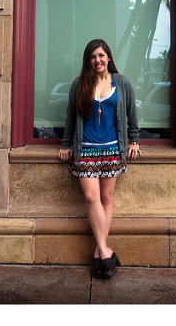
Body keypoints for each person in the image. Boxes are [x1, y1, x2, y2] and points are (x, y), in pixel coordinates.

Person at [58, 39, 141, 280]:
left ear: (108, 58)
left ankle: (99, 252)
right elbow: (71, 118)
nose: (98, 60)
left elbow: (131, 114)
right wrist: (66, 144)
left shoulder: (121, 83)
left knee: (106, 197)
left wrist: (134, 140)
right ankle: (106, 250)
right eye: (93, 56)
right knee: (91, 197)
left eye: (101, 55)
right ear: (88, 60)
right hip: (87, 150)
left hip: (113, 148)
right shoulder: (79, 84)